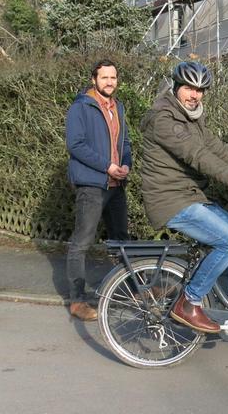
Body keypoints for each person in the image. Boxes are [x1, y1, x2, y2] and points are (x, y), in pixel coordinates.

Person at [140, 61, 228, 333]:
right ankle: (188, 302)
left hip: (189, 195)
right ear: (177, 87)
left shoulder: (191, 117)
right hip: (170, 200)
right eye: (190, 89)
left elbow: (218, 148)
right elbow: (200, 157)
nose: (195, 95)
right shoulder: (165, 119)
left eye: (201, 90)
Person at [64, 59, 131, 321]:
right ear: (94, 80)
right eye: (104, 78)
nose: (109, 82)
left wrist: (125, 163)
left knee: (122, 241)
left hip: (116, 184)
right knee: (82, 243)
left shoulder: (119, 107)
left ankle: (132, 291)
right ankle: (77, 301)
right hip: (92, 184)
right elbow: (75, 145)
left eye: (113, 77)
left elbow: (124, 142)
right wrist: (107, 166)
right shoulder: (81, 107)